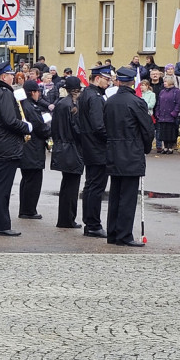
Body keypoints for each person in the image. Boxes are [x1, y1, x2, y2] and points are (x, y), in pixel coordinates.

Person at [104, 67, 153, 247]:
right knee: (128, 197)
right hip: (131, 152)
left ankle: (113, 233)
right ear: (132, 82)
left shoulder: (109, 102)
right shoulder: (137, 102)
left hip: (113, 151)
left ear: (118, 81)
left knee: (115, 194)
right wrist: (145, 148)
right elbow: (147, 129)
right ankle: (124, 235)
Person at [0, 61, 30, 236]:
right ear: (4, 76)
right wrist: (27, 127)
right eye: (10, 75)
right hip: (6, 145)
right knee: (2, 188)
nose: (12, 77)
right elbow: (9, 121)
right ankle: (0, 225)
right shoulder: (3, 93)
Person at [77, 65, 110, 237]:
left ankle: (90, 223)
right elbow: (98, 126)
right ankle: (93, 224)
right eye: (106, 79)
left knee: (90, 185)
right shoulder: (95, 97)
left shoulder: (86, 94)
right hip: (97, 147)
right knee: (96, 187)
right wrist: (110, 138)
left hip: (89, 145)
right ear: (98, 78)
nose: (108, 83)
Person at [50, 76, 84, 229]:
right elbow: (77, 129)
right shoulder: (73, 105)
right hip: (72, 148)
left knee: (66, 185)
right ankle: (68, 219)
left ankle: (65, 218)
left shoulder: (61, 103)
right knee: (71, 186)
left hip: (62, 146)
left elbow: (54, 127)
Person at [17, 79, 51, 220]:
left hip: (27, 148)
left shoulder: (23, 105)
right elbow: (40, 127)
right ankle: (28, 210)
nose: (39, 95)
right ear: (33, 92)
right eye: (38, 92)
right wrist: (49, 129)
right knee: (33, 180)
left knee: (27, 179)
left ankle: (25, 208)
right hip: (33, 148)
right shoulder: (31, 107)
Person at [156, 75, 180, 154]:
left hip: (171, 115)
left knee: (170, 132)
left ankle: (170, 147)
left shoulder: (176, 91)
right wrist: (157, 112)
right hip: (162, 115)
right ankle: (165, 147)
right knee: (163, 132)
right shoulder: (162, 91)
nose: (164, 83)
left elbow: (178, 103)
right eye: (164, 82)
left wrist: (174, 112)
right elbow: (159, 103)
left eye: (166, 82)